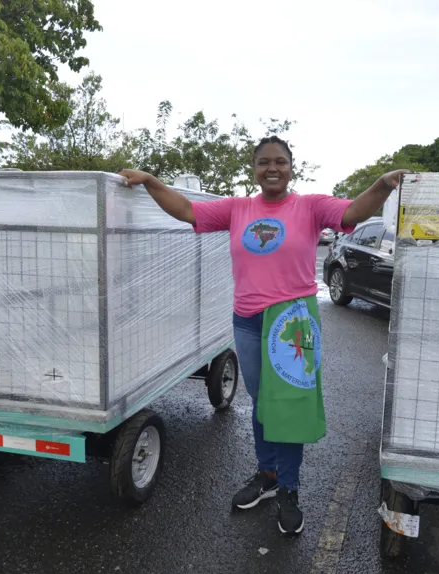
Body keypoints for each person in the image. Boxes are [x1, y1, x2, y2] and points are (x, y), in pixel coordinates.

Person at [119, 136, 408, 535]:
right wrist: (152, 181)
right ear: (253, 168)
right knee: (261, 404)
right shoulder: (238, 209)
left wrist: (382, 184)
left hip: (293, 321)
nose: (272, 168)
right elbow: (187, 210)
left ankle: (289, 487)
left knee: (288, 404)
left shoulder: (309, 207)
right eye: (263, 163)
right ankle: (267, 475)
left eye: (280, 162)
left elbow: (353, 211)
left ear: (292, 167)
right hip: (248, 320)